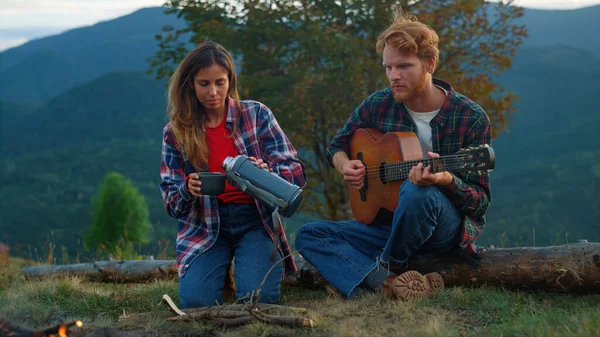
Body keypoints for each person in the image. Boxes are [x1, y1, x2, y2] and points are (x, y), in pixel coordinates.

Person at [295, 15, 492, 301]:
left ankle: (377, 273)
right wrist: (345, 164)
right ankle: (391, 284)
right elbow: (336, 146)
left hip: (442, 232)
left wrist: (446, 179)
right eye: (388, 67)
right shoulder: (378, 104)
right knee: (309, 234)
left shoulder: (470, 117)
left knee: (418, 191)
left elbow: (480, 202)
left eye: (403, 66)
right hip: (387, 227)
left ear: (430, 64)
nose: (393, 76)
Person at [160, 41, 306, 308]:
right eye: (204, 83)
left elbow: (295, 170)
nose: (213, 92)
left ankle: (244, 267)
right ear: (190, 84)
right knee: (196, 301)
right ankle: (220, 270)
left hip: (255, 220)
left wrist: (268, 173)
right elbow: (171, 203)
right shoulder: (176, 131)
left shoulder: (255, 114)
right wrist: (186, 188)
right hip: (205, 225)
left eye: (220, 82)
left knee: (257, 299)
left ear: (230, 81)